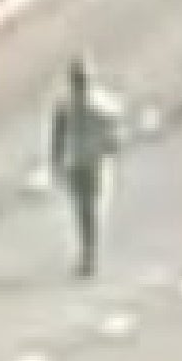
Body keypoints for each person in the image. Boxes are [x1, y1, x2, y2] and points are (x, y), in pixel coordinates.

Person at [48, 59, 124, 278]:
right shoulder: (96, 106)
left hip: (84, 161)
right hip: (87, 161)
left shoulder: (75, 107)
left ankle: (88, 254)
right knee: (86, 209)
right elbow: (113, 134)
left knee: (85, 209)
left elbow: (58, 138)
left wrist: (57, 162)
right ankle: (88, 253)